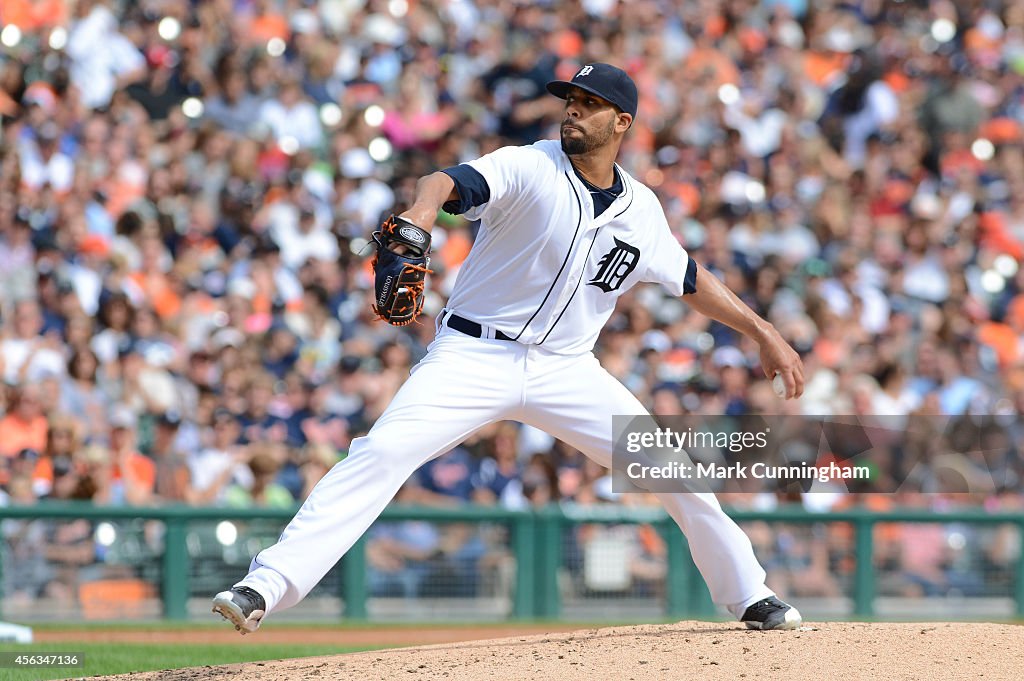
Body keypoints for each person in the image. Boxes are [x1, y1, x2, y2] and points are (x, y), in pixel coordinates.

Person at [213, 63, 805, 633]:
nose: (574, 109)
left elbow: (692, 280)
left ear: (621, 122)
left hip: (569, 370)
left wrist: (766, 334)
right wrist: (421, 214)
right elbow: (447, 181)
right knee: (383, 452)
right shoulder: (529, 165)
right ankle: (266, 585)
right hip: (472, 356)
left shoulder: (642, 210)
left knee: (670, 468)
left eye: (591, 104)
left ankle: (750, 594)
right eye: (570, 99)